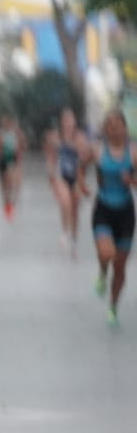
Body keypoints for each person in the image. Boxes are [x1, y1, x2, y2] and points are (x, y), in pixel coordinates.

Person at [90, 110, 133, 325]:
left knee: (121, 267)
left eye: (118, 124)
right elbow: (84, 168)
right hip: (104, 209)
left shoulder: (133, 152)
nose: (114, 128)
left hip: (125, 213)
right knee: (107, 253)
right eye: (110, 125)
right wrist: (80, 185)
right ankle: (101, 272)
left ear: (124, 128)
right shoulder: (98, 150)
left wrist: (131, 181)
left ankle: (113, 306)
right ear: (106, 129)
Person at [46, 107, 90, 260]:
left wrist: (78, 149)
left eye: (70, 120)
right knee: (66, 203)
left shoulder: (80, 137)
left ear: (74, 122)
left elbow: (85, 158)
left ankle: (74, 239)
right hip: (61, 175)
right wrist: (50, 175)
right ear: (61, 122)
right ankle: (65, 231)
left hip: (76, 177)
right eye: (65, 120)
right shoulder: (55, 137)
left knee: (75, 209)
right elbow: (51, 157)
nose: (68, 123)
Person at [0, 114, 24, 222]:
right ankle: (7, 207)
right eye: (2, 122)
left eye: (6, 122)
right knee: (5, 188)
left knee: (14, 184)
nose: (5, 124)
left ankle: (10, 207)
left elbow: (22, 146)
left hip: (12, 161)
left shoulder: (15, 133)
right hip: (3, 161)